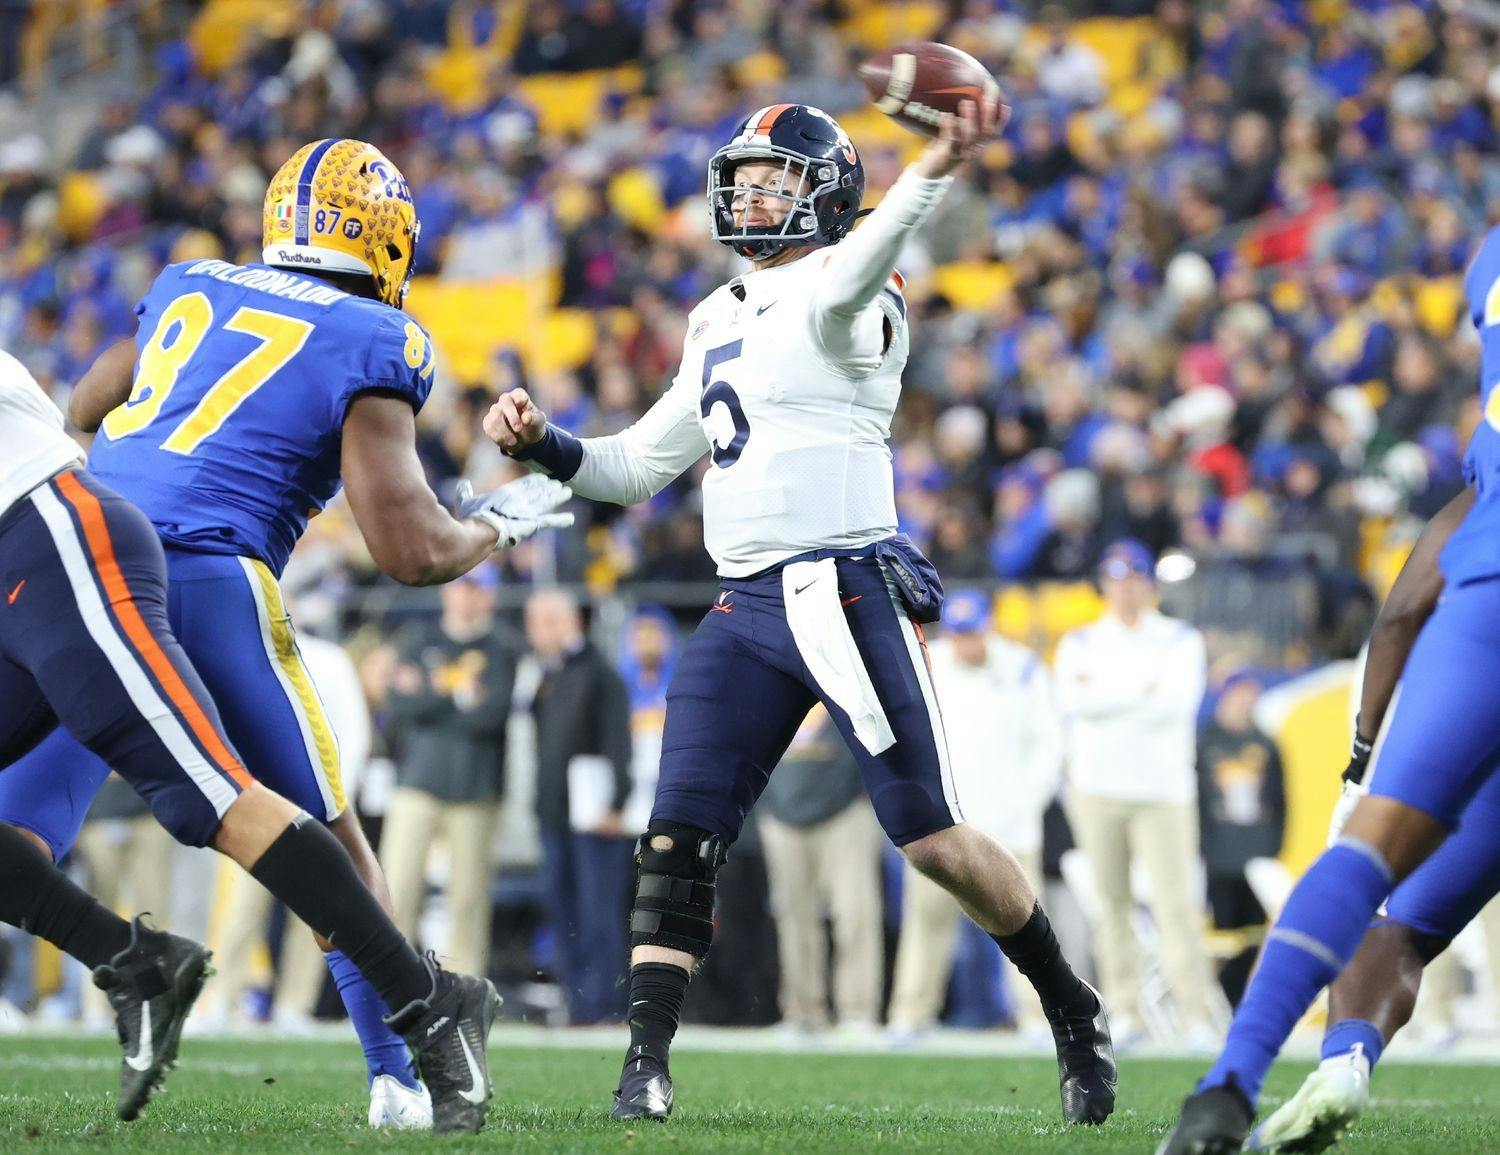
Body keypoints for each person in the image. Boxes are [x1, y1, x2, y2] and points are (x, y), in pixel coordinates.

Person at [485, 98, 1116, 1126]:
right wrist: (544, 443)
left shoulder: (850, 286)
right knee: (677, 835)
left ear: (827, 194)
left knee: (930, 839)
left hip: (845, 588)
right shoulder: (716, 313)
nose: (752, 193)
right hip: (745, 605)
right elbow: (640, 467)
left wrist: (936, 167)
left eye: (777, 178)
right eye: (745, 178)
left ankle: (1070, 1005)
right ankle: (644, 1062)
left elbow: (863, 264)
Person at [0, 138, 572, 1131]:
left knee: (23, 834)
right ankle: (402, 1072)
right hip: (210, 581)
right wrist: (495, 520)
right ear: (387, 239)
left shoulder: (190, 285)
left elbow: (81, 412)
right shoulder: (371, 337)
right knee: (318, 835)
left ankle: (140, 968)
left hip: (76, 565)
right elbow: (408, 548)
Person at [1158, 224, 1500, 1153]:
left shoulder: (1490, 261)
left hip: (1492, 597)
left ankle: (1238, 1082)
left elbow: (1399, 613)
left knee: (1381, 882)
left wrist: (1362, 748)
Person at [1054, 538, 1215, 1045]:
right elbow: (1074, 702)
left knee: (1176, 905)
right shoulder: (1080, 642)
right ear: (1104, 584)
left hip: (1163, 790)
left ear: (1148, 583)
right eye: (1116, 579)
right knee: (1111, 907)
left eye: (1134, 579)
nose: (1125, 589)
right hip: (1098, 787)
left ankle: (1195, 1014)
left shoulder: (1180, 639)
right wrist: (1137, 692)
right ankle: (1124, 1010)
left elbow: (1176, 705)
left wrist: (1107, 697)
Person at [887, 589, 1062, 1037]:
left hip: (1009, 824)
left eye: (974, 633)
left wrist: (1026, 800)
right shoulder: (930, 663)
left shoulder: (1023, 668)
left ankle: (1034, 1016)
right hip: (942, 823)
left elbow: (1048, 744)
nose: (967, 645)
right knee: (927, 921)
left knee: (1025, 922)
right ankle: (910, 1014)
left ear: (990, 626)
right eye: (960, 635)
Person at [381, 564, 516, 979]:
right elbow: (399, 706)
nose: (467, 597)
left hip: (475, 790)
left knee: (469, 900)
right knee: (396, 889)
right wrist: (457, 696)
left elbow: (491, 716)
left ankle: (465, 987)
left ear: (490, 596)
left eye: (477, 590)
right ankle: (392, 981)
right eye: (461, 589)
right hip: (417, 783)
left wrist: (430, 693)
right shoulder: (420, 639)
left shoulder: (503, 648)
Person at [525, 587, 636, 1024]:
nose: (535, 631)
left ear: (568, 621)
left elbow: (618, 741)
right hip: (555, 813)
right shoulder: (547, 673)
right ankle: (576, 1002)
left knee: (598, 912)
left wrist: (617, 801)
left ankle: (601, 1004)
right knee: (565, 910)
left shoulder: (600, 671)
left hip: (595, 817)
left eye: (544, 621)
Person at [759, 705, 883, 1036]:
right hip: (781, 812)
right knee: (793, 917)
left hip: (845, 809)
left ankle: (857, 1012)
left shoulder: (845, 666)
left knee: (856, 913)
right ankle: (802, 1012)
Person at [1195, 670, 1285, 1006]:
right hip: (1219, 858)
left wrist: (1273, 846)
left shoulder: (1264, 742)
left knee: (1256, 938)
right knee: (1222, 937)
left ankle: (1245, 1002)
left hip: (1256, 853)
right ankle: (1225, 1001)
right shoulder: (1206, 742)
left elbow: (1280, 799)